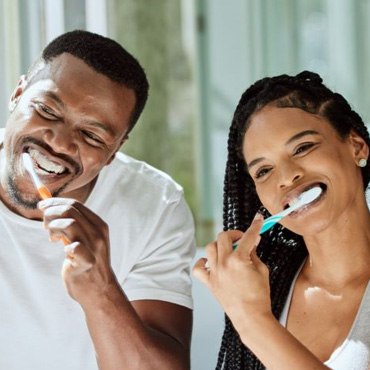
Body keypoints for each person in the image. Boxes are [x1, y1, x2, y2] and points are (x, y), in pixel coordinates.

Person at [0, 30, 195, 370]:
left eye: (91, 135)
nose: (59, 142)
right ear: (17, 94)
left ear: (114, 152)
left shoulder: (156, 206)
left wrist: (100, 290)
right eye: (47, 110)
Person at [193, 71, 370, 370]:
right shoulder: (268, 292)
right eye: (263, 171)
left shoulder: (252, 311)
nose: (286, 177)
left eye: (303, 147)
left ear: (356, 146)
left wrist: (251, 321)